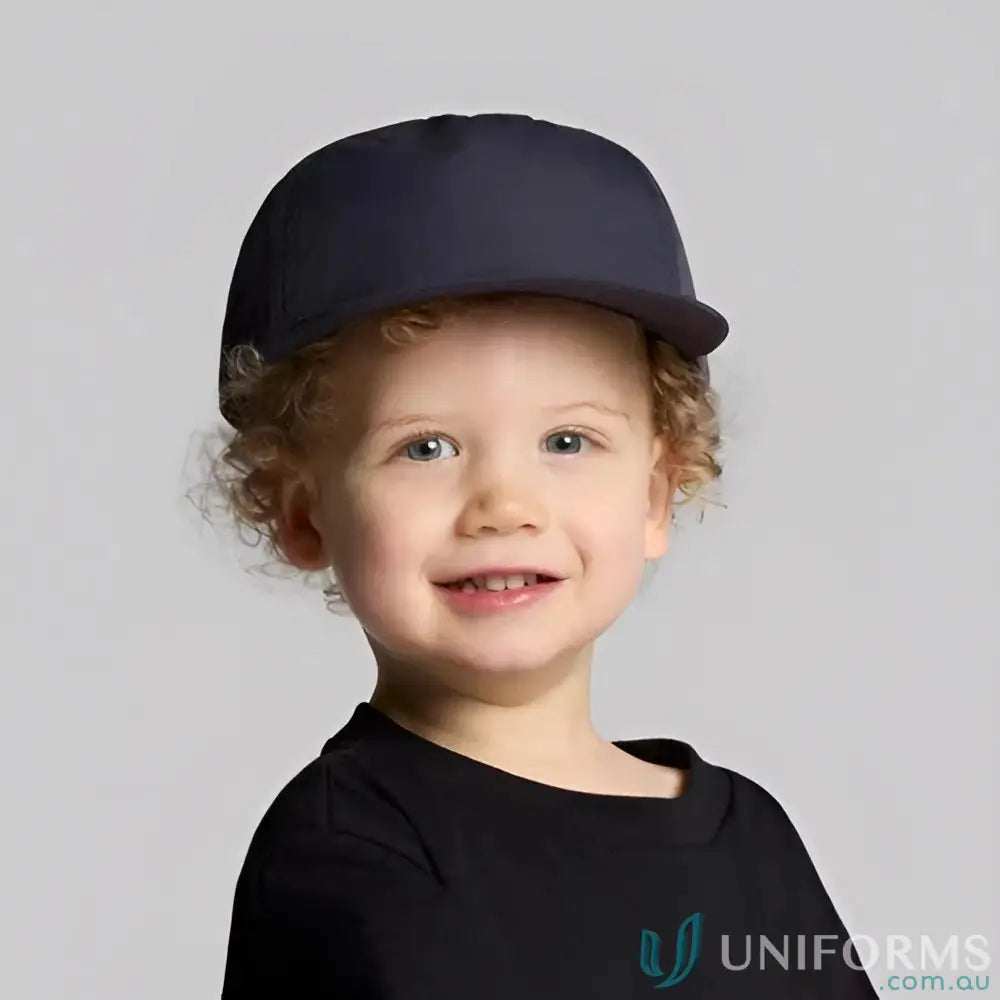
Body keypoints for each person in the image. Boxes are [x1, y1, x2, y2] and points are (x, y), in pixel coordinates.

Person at [208, 112, 877, 997]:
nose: (504, 507)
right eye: (426, 447)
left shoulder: (749, 838)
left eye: (567, 441)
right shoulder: (352, 848)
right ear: (303, 514)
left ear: (653, 495)